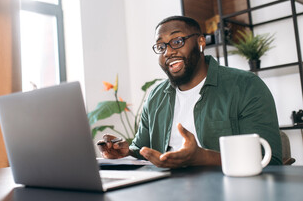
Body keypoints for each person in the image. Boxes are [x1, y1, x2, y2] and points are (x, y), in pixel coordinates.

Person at [97, 16, 282, 168]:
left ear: (201, 42)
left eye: (177, 41)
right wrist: (125, 152)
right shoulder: (155, 97)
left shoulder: (246, 86)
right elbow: (141, 149)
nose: (168, 52)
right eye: (161, 47)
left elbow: (269, 160)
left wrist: (203, 158)